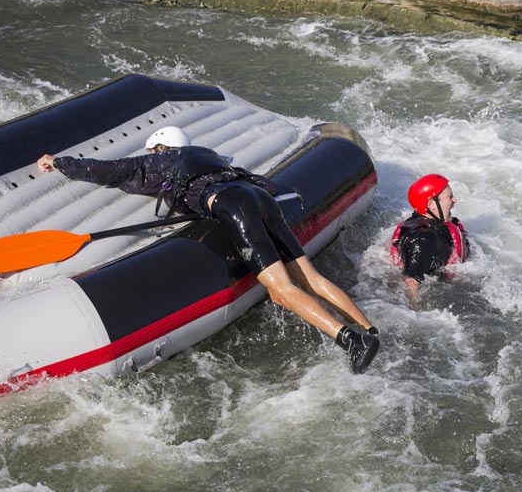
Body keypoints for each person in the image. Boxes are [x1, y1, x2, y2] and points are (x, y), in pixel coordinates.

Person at [37, 125, 380, 374]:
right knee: (309, 277)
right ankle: (370, 331)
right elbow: (265, 184)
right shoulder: (214, 159)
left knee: (280, 291)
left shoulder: (166, 159)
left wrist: (61, 163)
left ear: (159, 148)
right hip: (261, 200)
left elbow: (110, 170)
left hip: (231, 206)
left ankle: (349, 339)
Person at [390, 174, 469, 307]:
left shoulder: (434, 227)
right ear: (432, 205)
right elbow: (412, 279)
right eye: (449, 197)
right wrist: (415, 307)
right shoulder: (422, 239)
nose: (455, 200)